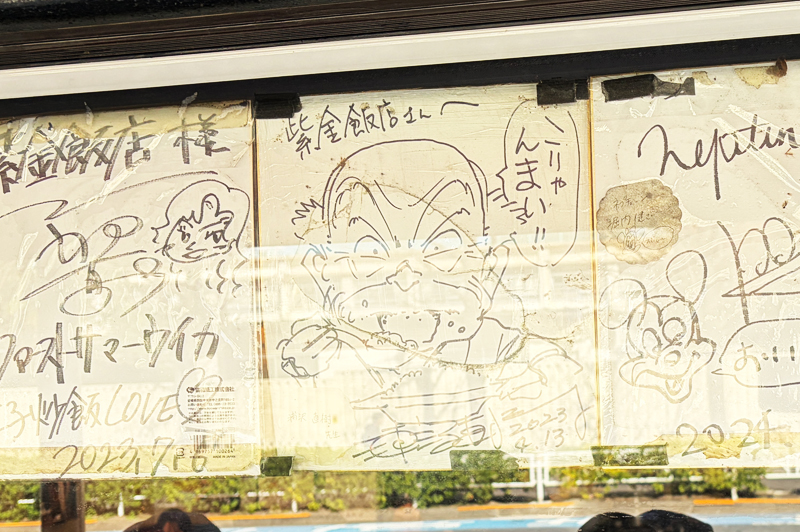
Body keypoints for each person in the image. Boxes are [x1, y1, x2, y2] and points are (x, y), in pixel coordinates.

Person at [280, 140, 587, 456]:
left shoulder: (526, 367)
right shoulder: (331, 362)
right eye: (371, 255)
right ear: (324, 270)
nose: (406, 280)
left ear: (487, 269)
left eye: (441, 252)